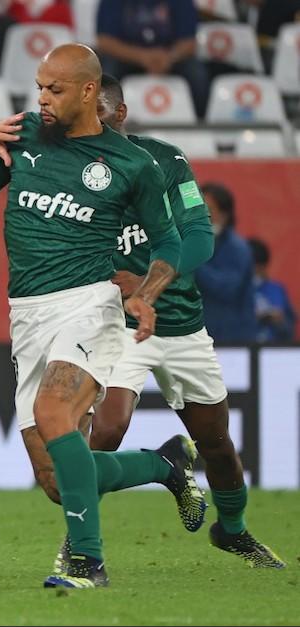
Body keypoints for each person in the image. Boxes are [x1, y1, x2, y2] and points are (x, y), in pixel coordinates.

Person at [0, 43, 191, 589]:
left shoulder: (132, 165)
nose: (42, 98)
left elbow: (170, 239)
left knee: (55, 412)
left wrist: (148, 291)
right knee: (57, 479)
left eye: (54, 89)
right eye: (39, 87)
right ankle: (165, 465)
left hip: (89, 307)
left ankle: (87, 563)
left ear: (88, 91)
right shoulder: (27, 135)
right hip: (27, 315)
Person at [85, 75, 284, 569]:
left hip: (183, 327)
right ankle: (80, 543)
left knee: (217, 444)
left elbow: (199, 239)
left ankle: (232, 531)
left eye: (103, 118)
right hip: (121, 327)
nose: (95, 129)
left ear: (121, 114)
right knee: (106, 433)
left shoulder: (166, 160)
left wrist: (146, 289)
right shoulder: (73, 172)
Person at [95, 0, 209, 118]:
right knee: (108, 74)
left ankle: (201, 122)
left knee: (197, 74)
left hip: (170, 57)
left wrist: (170, 57)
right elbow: (105, 41)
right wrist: (142, 57)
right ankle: (105, 124)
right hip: (128, 56)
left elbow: (189, 42)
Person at [196, 183, 257, 343]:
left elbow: (227, 288)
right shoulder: (197, 243)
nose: (202, 214)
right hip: (201, 336)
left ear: (224, 214)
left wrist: (192, 261)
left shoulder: (237, 248)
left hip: (233, 340)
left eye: (209, 209)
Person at [248, 238, 296, 343]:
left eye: (261, 267)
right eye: (253, 267)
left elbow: (290, 328)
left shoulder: (277, 290)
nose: (257, 271)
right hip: (243, 349)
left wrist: (280, 321)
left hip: (274, 351)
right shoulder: (236, 292)